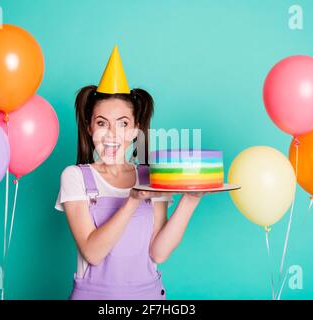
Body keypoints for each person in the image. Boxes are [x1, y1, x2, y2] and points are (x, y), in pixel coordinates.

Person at [54, 46, 205, 300]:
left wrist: (191, 200)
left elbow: (158, 253)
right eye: (102, 123)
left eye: (123, 123)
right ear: (90, 128)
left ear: (136, 130)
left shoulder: (150, 176)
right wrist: (133, 200)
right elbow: (92, 252)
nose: (112, 134)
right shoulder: (75, 177)